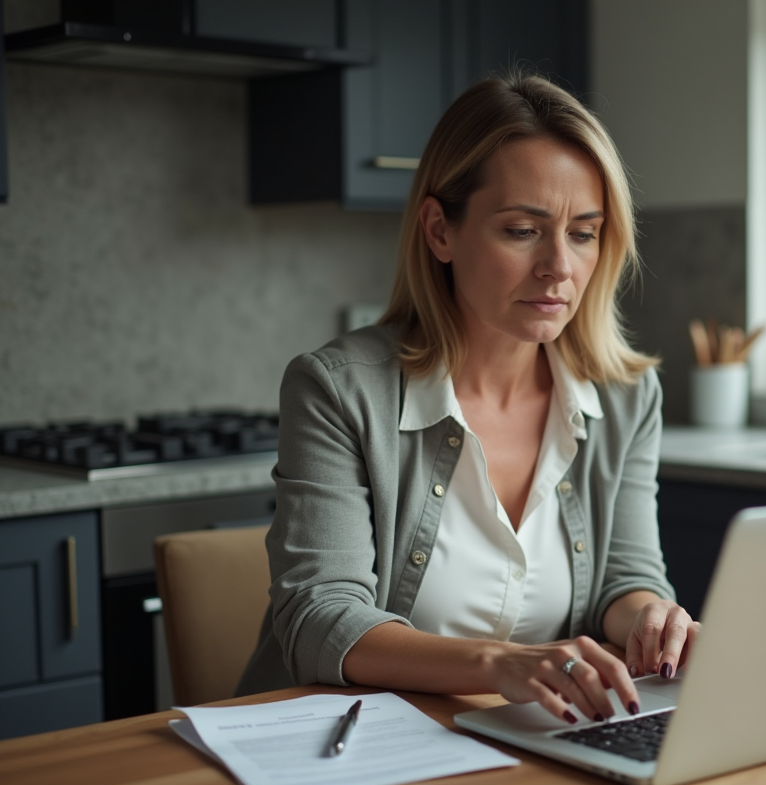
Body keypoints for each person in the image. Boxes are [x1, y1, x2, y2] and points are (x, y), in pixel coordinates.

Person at [237, 72, 699, 724]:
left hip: (524, 743)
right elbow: (319, 622)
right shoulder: (338, 389)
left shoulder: (625, 397)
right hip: (343, 748)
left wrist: (652, 614)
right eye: (522, 230)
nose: (559, 268)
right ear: (439, 231)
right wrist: (501, 662)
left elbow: (625, 579)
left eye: (584, 233)